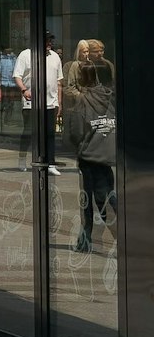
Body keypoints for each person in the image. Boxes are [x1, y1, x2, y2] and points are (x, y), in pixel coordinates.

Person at [61, 50, 116, 253]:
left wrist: (78, 146)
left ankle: (88, 239)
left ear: (82, 78)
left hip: (89, 156)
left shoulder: (83, 101)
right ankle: (122, 233)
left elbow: (74, 133)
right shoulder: (108, 96)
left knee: (90, 200)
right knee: (107, 194)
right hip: (107, 154)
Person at [14, 33, 64, 174]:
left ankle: (50, 163)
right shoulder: (25, 55)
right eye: (46, 40)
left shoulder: (55, 56)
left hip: (50, 102)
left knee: (50, 133)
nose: (49, 43)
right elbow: (17, 75)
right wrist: (24, 90)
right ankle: (22, 159)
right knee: (29, 132)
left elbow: (59, 81)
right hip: (31, 102)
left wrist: (59, 102)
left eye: (50, 41)